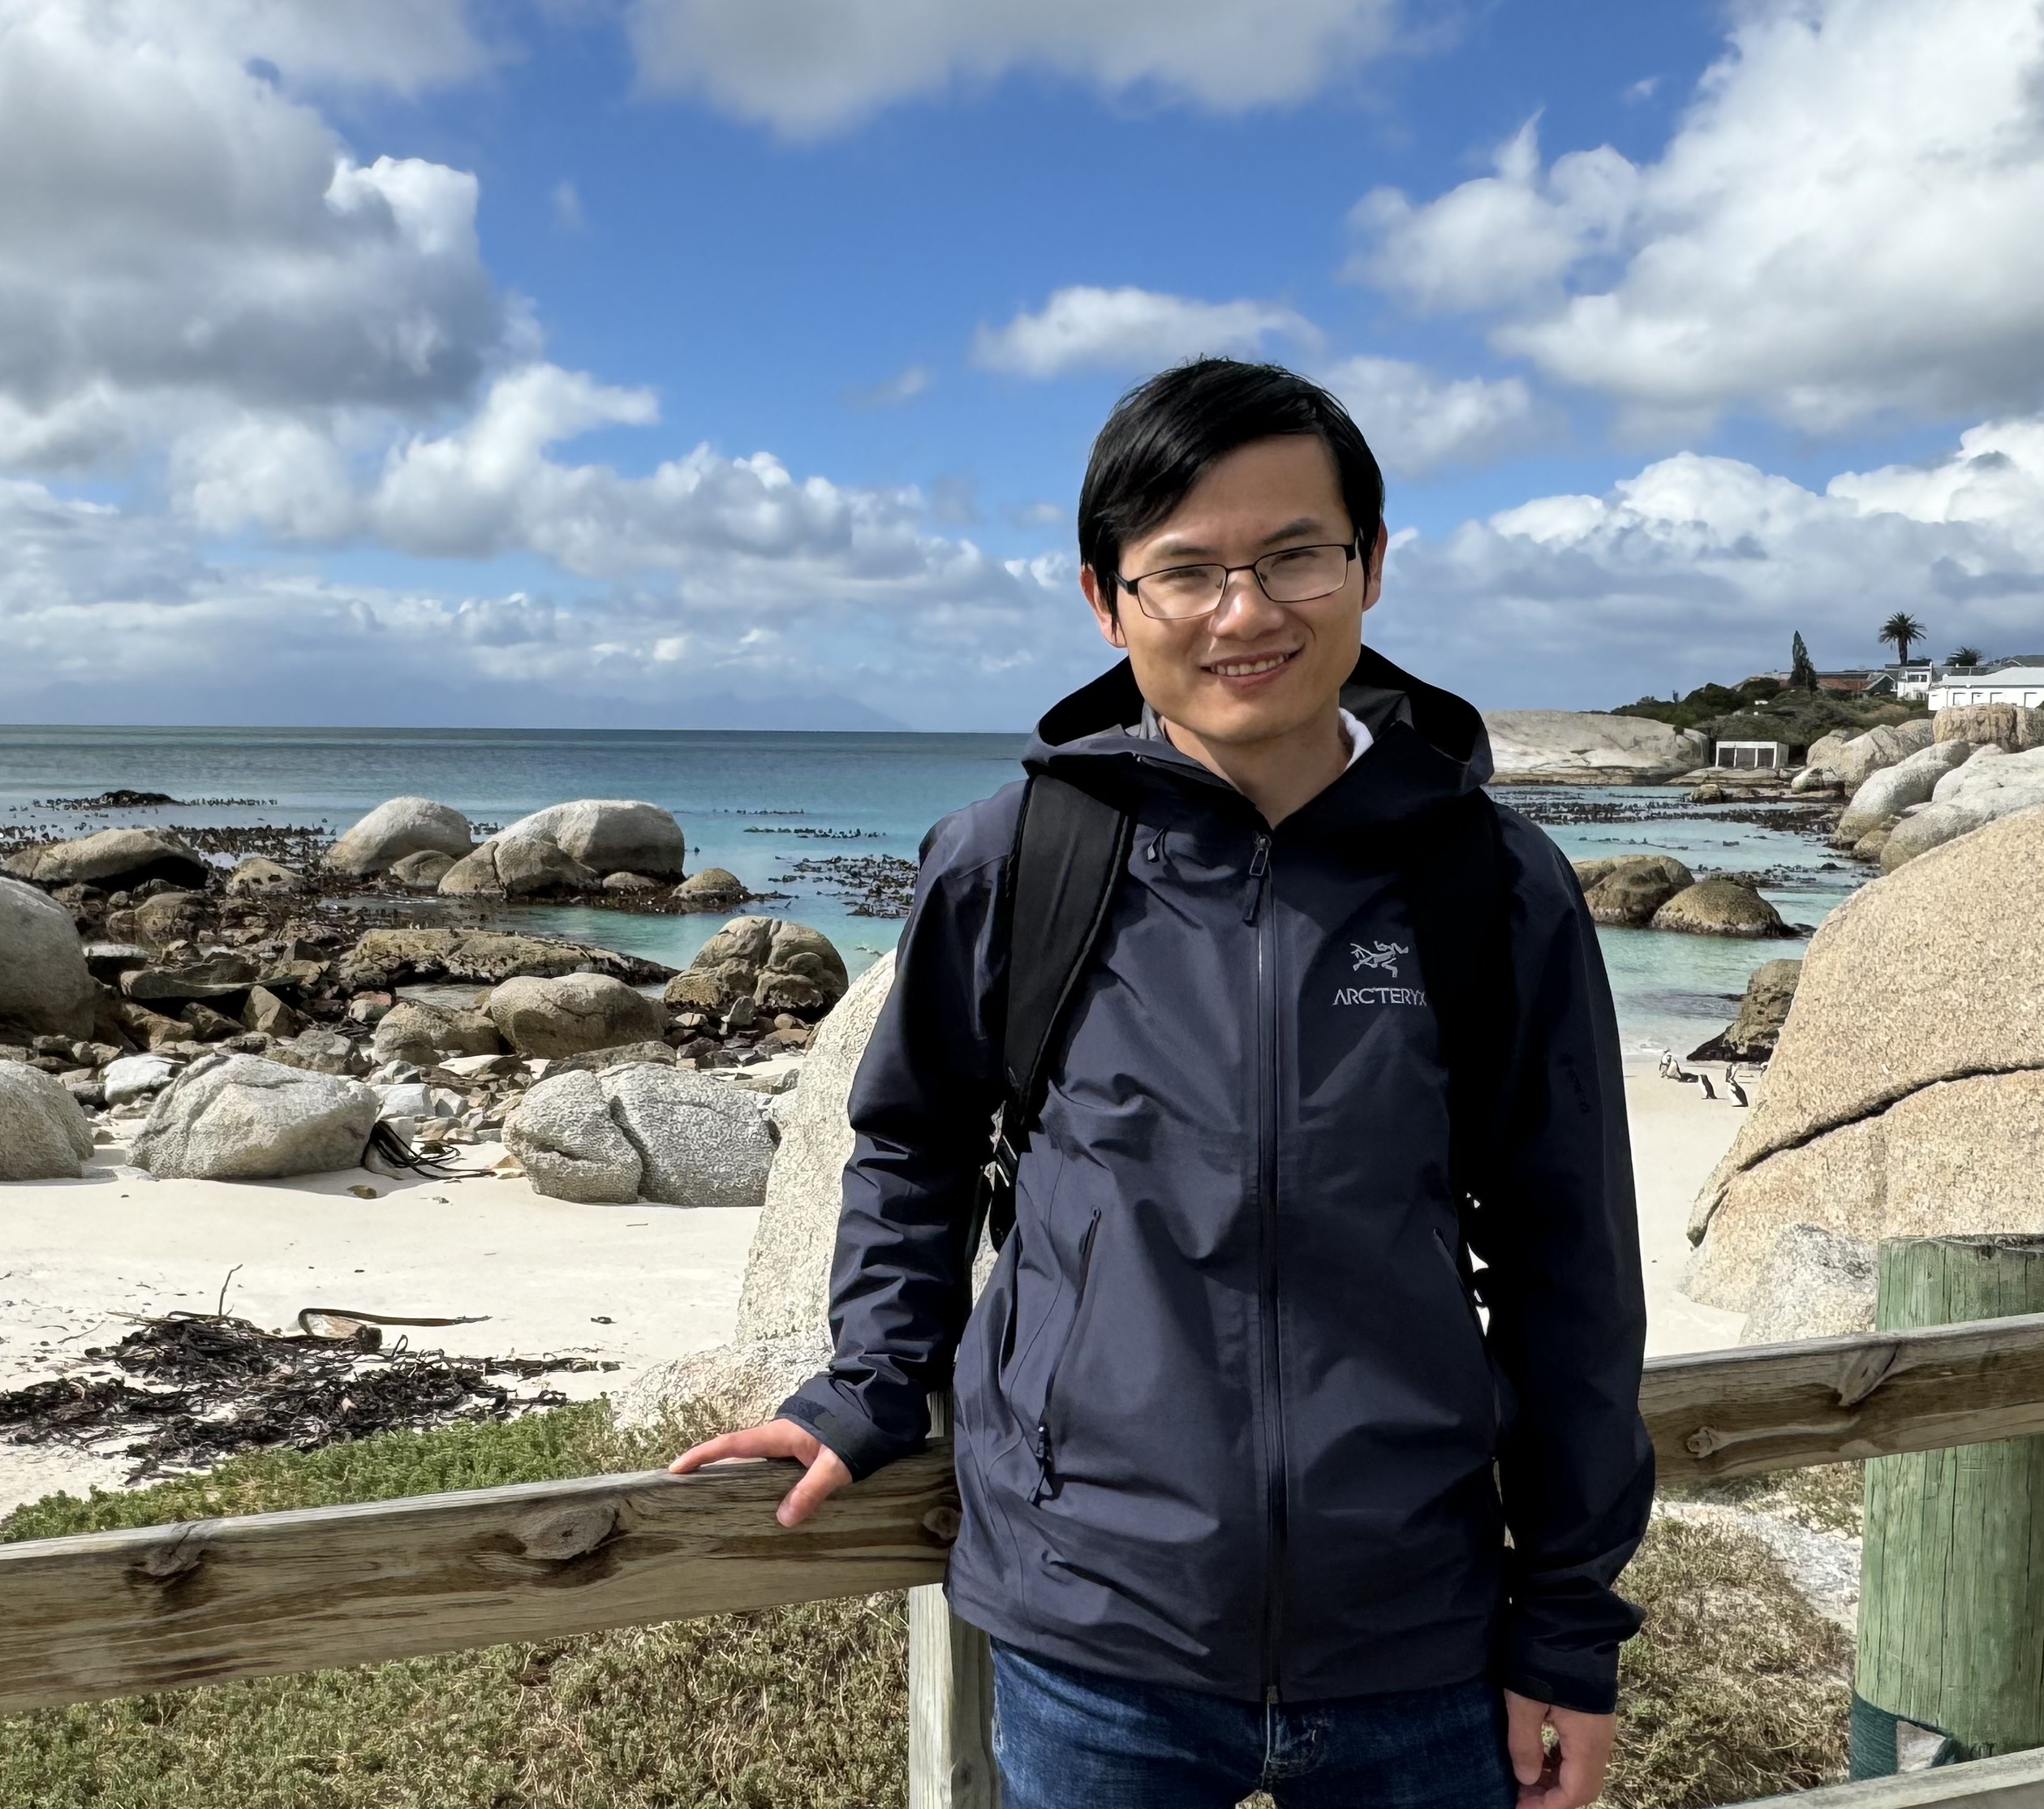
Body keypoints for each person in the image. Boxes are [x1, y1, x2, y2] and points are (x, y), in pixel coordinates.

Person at [673, 360, 1652, 1808]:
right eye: (1185, 572)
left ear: (1371, 566)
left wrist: (1566, 1616)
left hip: (1419, 1631)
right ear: (1106, 599)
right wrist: (873, 1382)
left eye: (1295, 557)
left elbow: (1571, 1256)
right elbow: (914, 1142)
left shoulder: (1490, 881)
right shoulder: (1015, 858)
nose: (1243, 614)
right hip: (1094, 1627)